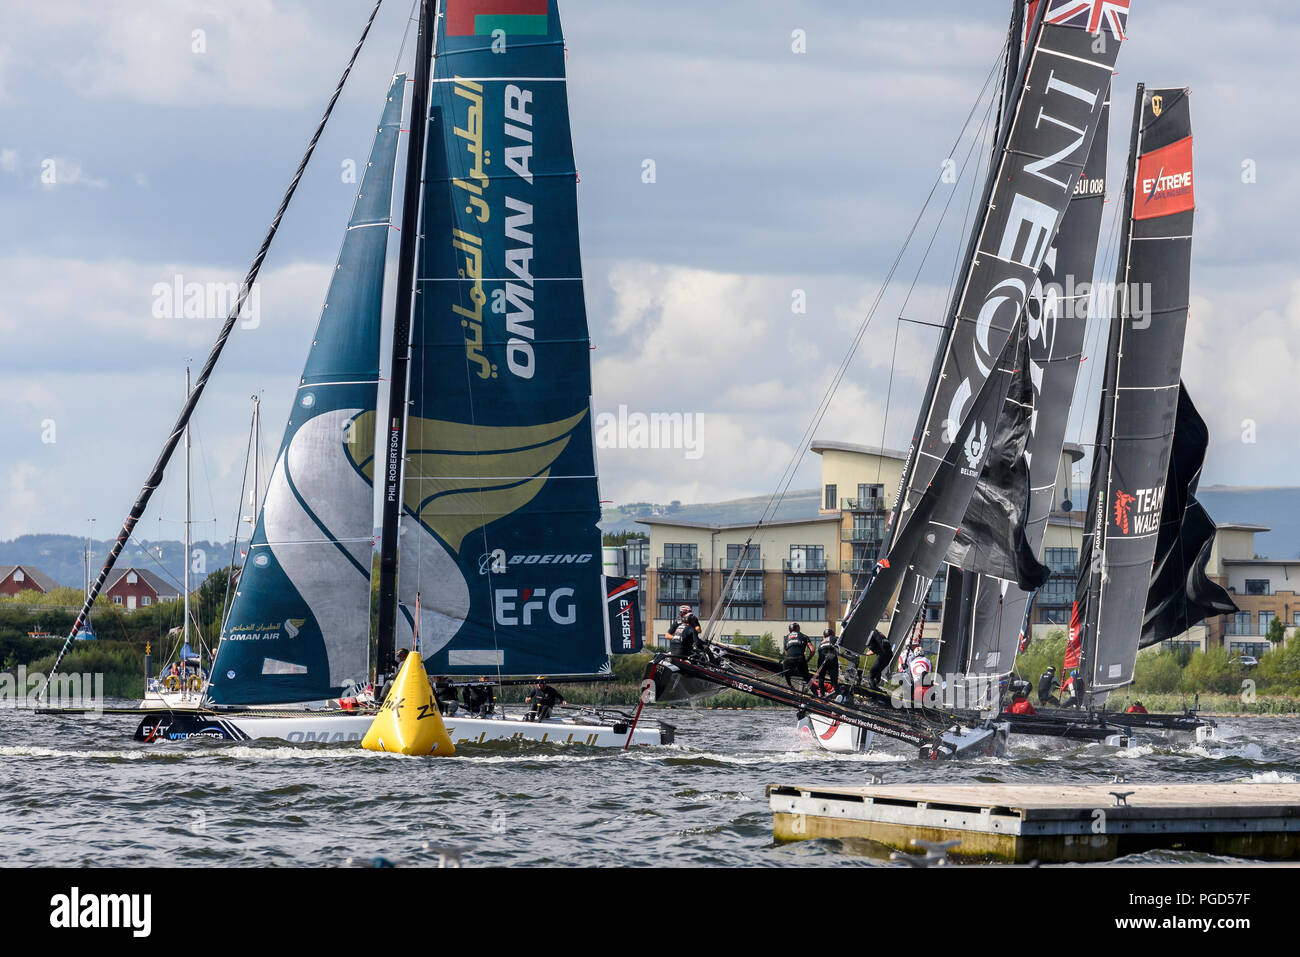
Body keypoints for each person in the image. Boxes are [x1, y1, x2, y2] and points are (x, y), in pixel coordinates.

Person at [811, 630, 840, 698]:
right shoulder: (833, 638)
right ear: (832, 634)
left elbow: (819, 651)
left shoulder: (821, 642)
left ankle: (822, 694)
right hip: (831, 658)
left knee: (821, 678)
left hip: (821, 660)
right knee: (834, 678)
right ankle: (837, 693)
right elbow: (840, 642)